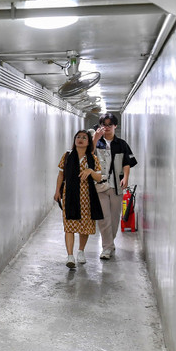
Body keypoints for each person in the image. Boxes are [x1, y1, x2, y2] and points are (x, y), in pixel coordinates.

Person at [53, 130, 105, 269]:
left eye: (84, 138)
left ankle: (81, 250)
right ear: (74, 140)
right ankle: (70, 256)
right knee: (69, 226)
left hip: (87, 197)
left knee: (84, 227)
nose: (80, 139)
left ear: (88, 142)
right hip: (70, 195)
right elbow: (61, 175)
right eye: (78, 137)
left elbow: (99, 177)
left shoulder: (92, 159)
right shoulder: (67, 156)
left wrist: (90, 171)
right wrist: (57, 191)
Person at [92, 113, 138, 260]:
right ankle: (107, 248)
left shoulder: (121, 144)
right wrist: (95, 139)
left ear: (115, 126)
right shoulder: (96, 142)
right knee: (104, 218)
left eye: (109, 125)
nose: (106, 128)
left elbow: (127, 163)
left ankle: (109, 244)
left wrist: (125, 177)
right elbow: (87, 156)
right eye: (104, 125)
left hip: (117, 186)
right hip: (99, 185)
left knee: (114, 217)